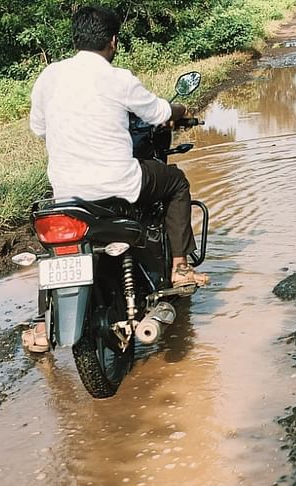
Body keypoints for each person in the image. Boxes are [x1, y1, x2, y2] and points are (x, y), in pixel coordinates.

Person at [21, 6, 209, 353]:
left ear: (76, 39)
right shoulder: (118, 78)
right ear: (113, 42)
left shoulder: (49, 76)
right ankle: (180, 267)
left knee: (56, 250)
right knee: (177, 182)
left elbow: (38, 129)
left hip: (67, 193)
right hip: (119, 182)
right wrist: (179, 113)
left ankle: (41, 320)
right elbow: (159, 113)